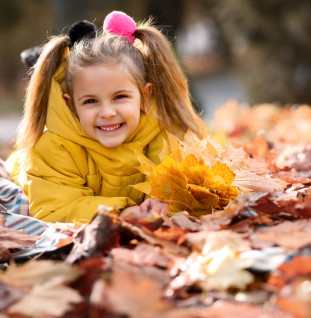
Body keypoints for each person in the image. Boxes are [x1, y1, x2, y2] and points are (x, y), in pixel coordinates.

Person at [6, 11, 206, 223]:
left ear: (145, 96)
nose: (107, 112)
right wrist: (121, 212)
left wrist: (166, 199)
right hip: (17, 177)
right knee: (13, 209)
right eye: (91, 101)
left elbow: (188, 183)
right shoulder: (55, 148)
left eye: (120, 97)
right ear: (71, 105)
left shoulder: (167, 133)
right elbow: (55, 209)